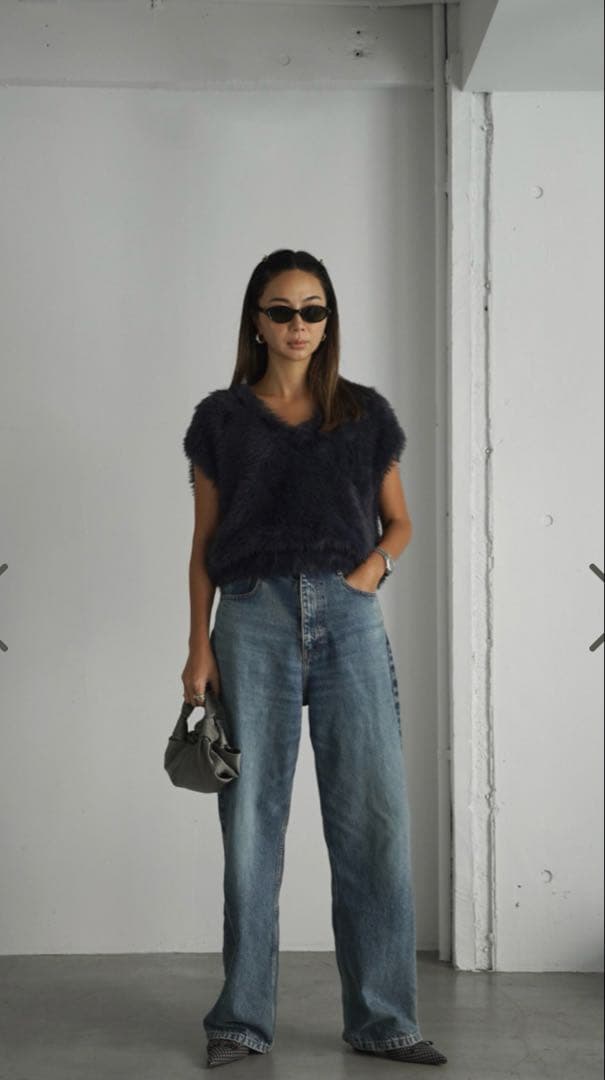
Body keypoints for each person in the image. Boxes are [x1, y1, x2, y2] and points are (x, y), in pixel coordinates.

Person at [181, 249, 448, 1070]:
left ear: (328, 321)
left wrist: (370, 572)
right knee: (250, 825)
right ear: (256, 322)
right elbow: (202, 542)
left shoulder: (363, 415)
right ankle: (240, 1022)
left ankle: (383, 1021)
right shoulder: (221, 420)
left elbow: (399, 521)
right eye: (281, 310)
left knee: (372, 821)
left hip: (348, 617)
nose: (298, 325)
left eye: (313, 310)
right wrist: (197, 645)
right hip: (250, 616)